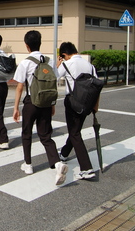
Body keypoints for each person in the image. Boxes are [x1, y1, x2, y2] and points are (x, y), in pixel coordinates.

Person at [13, 30, 67, 186]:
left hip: (31, 102)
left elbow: (19, 87)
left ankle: (28, 165)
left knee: (27, 133)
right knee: (45, 135)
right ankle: (57, 163)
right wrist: (52, 104)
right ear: (40, 43)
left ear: (27, 45)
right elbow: (53, 82)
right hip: (45, 103)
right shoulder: (49, 61)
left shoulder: (25, 62)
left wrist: (16, 107)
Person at [56, 42, 98, 180]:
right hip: (87, 103)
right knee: (75, 130)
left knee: (74, 133)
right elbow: (96, 86)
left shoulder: (66, 64)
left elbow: (54, 77)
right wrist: (95, 106)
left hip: (72, 102)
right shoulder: (89, 66)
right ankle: (64, 154)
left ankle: (86, 168)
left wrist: (58, 64)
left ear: (64, 55)